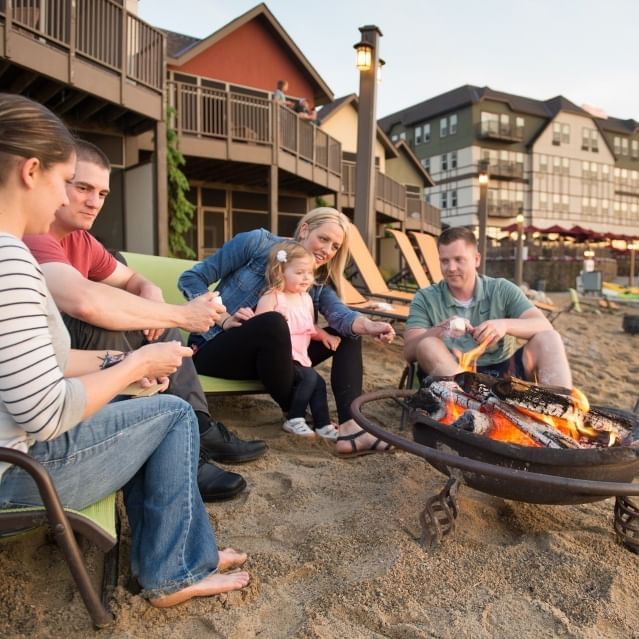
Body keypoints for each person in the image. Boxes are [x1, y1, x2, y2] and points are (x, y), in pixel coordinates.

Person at [0, 93, 249, 607]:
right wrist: (135, 361)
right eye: (65, 182)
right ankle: (173, 572)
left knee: (148, 404)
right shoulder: (13, 261)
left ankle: (187, 550)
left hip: (14, 450)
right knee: (172, 416)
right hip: (17, 476)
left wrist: (124, 368)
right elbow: (44, 414)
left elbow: (41, 366)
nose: (69, 199)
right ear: (31, 172)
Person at [24, 140, 267, 502]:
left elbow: (135, 281)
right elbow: (83, 302)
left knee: (154, 320)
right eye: (83, 188)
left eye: (103, 192)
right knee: (130, 321)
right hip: (44, 370)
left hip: (78, 363)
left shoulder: (82, 241)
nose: (94, 201)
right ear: (55, 184)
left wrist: (151, 293)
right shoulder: (34, 235)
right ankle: (181, 444)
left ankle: (194, 428)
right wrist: (180, 314)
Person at [178, 207, 396, 457]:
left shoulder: (314, 278)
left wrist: (370, 326)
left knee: (348, 333)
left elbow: (339, 314)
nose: (327, 250)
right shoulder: (256, 243)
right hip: (216, 349)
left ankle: (351, 426)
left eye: (335, 246)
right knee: (273, 321)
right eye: (323, 238)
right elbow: (191, 279)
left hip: (274, 362)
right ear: (304, 229)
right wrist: (224, 318)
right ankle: (294, 407)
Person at [404, 226, 572, 387]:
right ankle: (469, 401)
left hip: (505, 375)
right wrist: (441, 329)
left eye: (459, 260)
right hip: (454, 377)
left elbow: (543, 325)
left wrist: (504, 325)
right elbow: (410, 351)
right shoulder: (425, 297)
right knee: (427, 345)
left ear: (476, 259)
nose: (451, 268)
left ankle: (564, 408)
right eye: (445, 261)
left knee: (549, 338)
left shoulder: (501, 289)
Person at [255, 240, 340, 440]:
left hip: (301, 356)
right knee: (310, 378)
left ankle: (323, 424)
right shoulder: (272, 298)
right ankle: (294, 418)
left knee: (318, 383)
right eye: (299, 273)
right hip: (280, 358)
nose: (306, 278)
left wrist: (324, 335)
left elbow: (309, 327)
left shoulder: (305, 299)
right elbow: (258, 328)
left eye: (309, 273)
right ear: (280, 272)